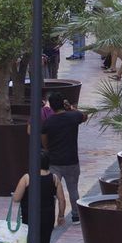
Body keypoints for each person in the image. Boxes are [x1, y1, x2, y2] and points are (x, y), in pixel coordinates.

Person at [41, 93, 88, 223]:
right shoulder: (73, 116)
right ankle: (76, 216)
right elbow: (85, 117)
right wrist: (71, 108)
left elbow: (44, 140)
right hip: (72, 160)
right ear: (63, 103)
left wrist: (48, 149)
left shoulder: (49, 121)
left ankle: (51, 216)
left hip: (55, 161)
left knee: (53, 191)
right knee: (73, 189)